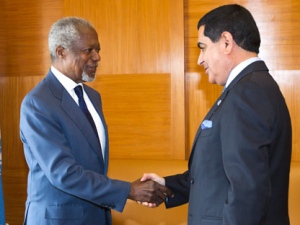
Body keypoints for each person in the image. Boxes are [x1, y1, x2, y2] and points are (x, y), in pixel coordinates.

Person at [141, 4, 292, 225]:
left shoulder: (247, 93)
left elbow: (247, 192)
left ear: (226, 42)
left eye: (202, 47)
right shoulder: (253, 87)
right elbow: (222, 172)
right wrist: (166, 185)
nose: (199, 60)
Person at [20, 17, 172, 225]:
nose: (97, 57)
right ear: (61, 51)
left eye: (98, 50)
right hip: (59, 219)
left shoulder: (92, 97)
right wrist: (129, 191)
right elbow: (63, 173)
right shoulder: (38, 103)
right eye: (88, 51)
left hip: (96, 215)